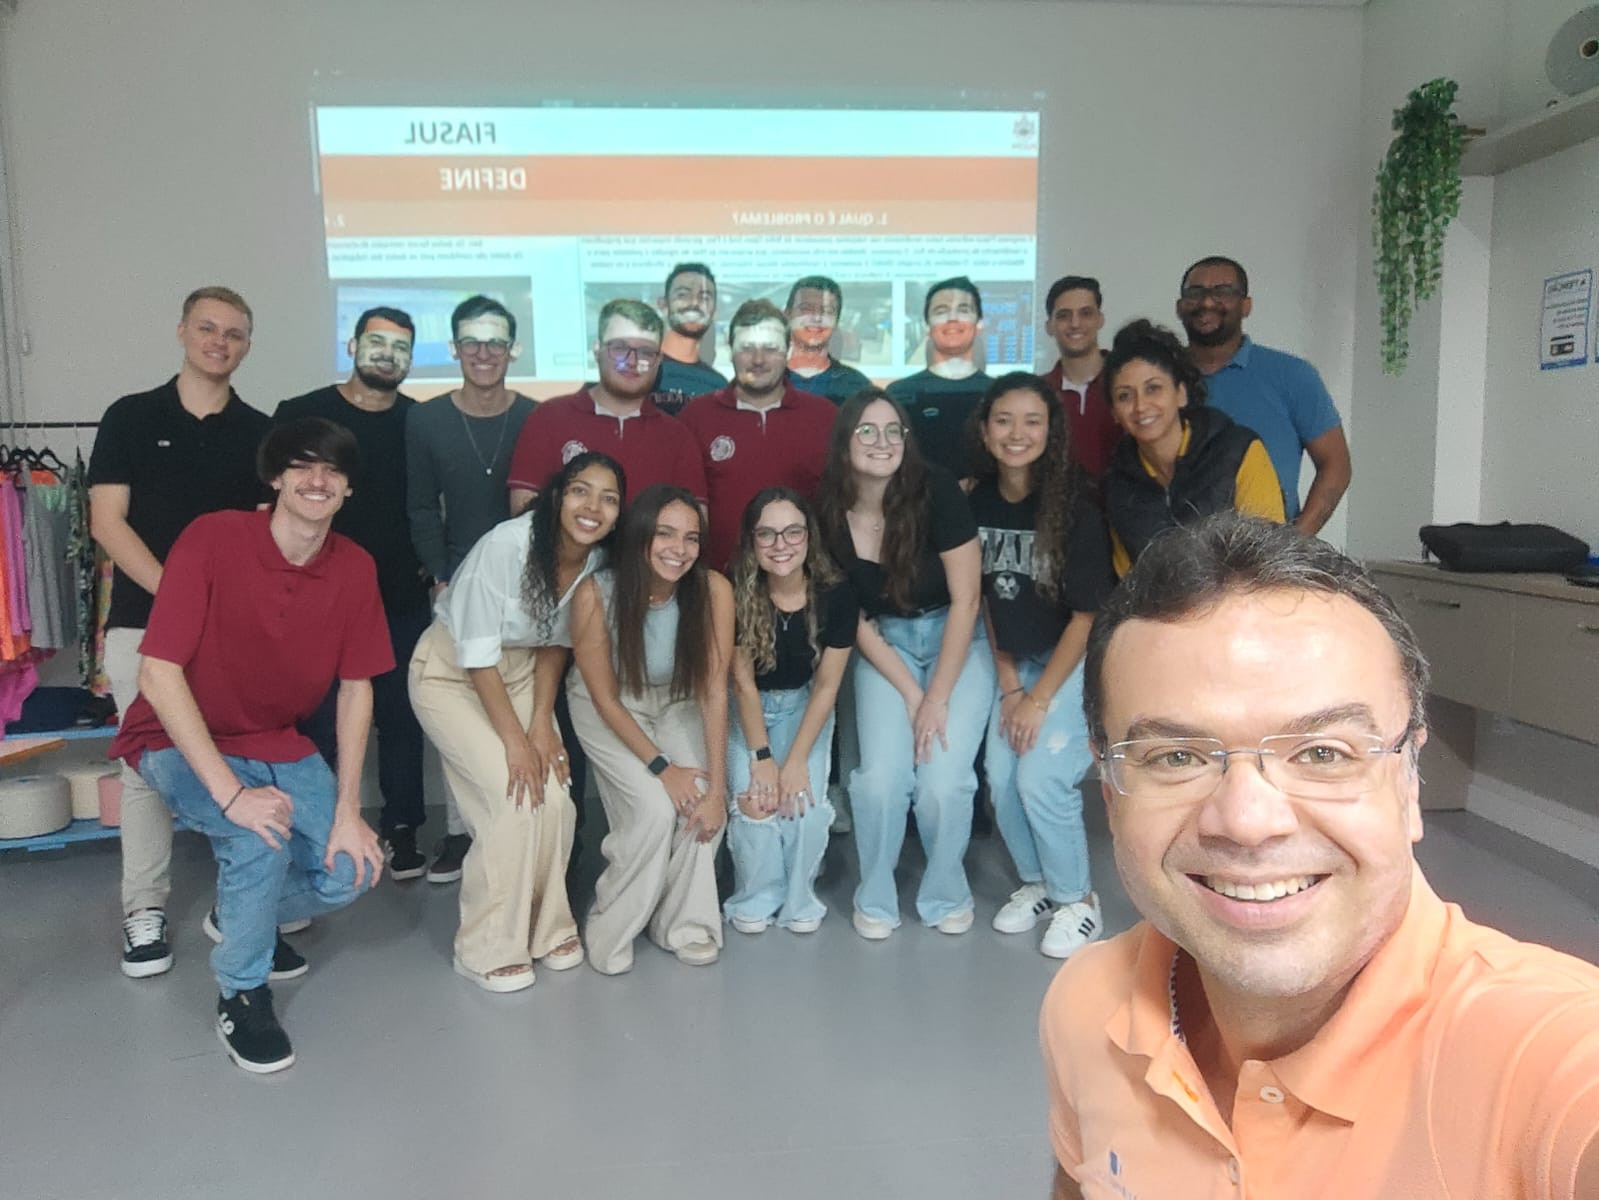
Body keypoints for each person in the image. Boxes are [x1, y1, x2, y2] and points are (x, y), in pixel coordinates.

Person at [1042, 514, 1599, 1199]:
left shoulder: (1541, 1056)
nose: (1247, 822)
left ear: (1409, 783)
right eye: (1176, 757)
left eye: (1323, 753)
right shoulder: (1085, 1002)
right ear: (1109, 791)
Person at [109, 418, 391, 1073]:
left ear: (348, 487)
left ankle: (242, 913)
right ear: (275, 477)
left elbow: (357, 690)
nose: (317, 480)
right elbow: (158, 675)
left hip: (277, 741)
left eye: (332, 470)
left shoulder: (355, 567)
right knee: (257, 837)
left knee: (351, 868)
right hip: (175, 736)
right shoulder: (211, 538)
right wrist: (233, 796)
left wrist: (349, 811)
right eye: (302, 466)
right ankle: (241, 991)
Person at [89, 285, 271, 980]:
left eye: (234, 333)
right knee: (143, 771)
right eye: (207, 328)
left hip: (232, 631)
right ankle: (144, 909)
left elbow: (264, 537)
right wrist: (179, 595)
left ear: (246, 345)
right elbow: (107, 522)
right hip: (143, 625)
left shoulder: (260, 432)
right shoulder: (130, 417)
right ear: (182, 332)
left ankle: (244, 903)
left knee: (242, 762)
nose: (219, 342)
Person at [408, 452, 624, 992]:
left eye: (609, 498)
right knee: (514, 793)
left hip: (525, 674)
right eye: (581, 490)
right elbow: (477, 657)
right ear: (557, 495)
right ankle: (484, 946)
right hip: (453, 675)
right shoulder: (506, 546)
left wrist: (542, 725)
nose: (592, 507)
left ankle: (547, 927)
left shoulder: (596, 561)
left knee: (556, 796)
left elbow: (555, 644)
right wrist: (515, 740)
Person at [816, 389, 995, 939]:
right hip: (883, 643)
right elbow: (851, 616)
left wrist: (936, 697)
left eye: (894, 430)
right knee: (880, 780)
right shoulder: (827, 508)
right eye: (867, 431)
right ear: (845, 442)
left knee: (943, 781)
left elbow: (968, 599)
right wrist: (912, 695)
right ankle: (875, 895)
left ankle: (945, 893)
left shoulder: (936, 489)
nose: (883, 442)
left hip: (956, 638)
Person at [275, 306, 432, 879]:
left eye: (400, 346)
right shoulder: (301, 413)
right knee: (314, 720)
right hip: (313, 600)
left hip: (398, 597)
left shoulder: (420, 421)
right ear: (351, 345)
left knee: (401, 719)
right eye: (376, 342)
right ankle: (316, 828)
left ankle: (402, 829)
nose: (388, 354)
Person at [968, 373, 1115, 958]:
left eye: (1033, 421)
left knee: (1041, 777)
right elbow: (983, 600)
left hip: (1071, 662)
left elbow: (1086, 616)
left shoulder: (1076, 504)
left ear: (1051, 431)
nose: (1017, 433)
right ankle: (1041, 885)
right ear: (985, 431)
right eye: (1004, 420)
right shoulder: (976, 501)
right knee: (1001, 776)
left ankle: (1079, 901)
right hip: (1016, 663)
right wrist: (1009, 687)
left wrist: (1038, 699)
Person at [565, 483, 734, 973]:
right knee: (653, 811)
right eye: (665, 534)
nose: (679, 549)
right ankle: (610, 925)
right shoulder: (596, 594)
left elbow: (714, 690)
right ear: (640, 534)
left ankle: (684, 923)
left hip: (675, 697)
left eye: (691, 538)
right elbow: (604, 698)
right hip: (608, 705)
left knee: (699, 802)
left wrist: (717, 790)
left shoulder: (713, 590)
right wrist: (663, 768)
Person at [405, 294, 537, 883]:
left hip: (524, 592)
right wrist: (440, 576)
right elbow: (420, 506)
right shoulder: (426, 419)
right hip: (454, 587)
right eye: (472, 342)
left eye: (496, 342)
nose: (484, 353)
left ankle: (519, 824)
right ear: (455, 349)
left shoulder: (536, 416)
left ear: (514, 349)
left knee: (519, 712)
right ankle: (461, 833)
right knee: (460, 715)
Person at [724, 488, 855, 934]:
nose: (780, 545)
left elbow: (827, 686)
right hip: (749, 709)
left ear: (808, 537)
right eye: (767, 534)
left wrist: (796, 761)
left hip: (804, 705)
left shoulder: (836, 594)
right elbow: (742, 683)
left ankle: (800, 896)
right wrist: (762, 758)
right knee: (756, 802)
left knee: (803, 805)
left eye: (792, 532)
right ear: (752, 541)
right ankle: (758, 895)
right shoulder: (735, 589)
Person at [1176, 255, 1351, 534]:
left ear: (1246, 306)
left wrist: (1294, 542)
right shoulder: (1158, 380)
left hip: (1265, 549)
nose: (1207, 302)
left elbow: (1336, 465)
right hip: (1177, 549)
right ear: (1179, 306)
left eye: (1223, 291)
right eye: (1195, 292)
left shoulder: (1292, 375)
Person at [1101, 320, 1284, 576]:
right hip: (1159, 603)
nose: (1140, 406)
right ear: (1114, 413)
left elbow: (1269, 558)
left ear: (1181, 394)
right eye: (1124, 396)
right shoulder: (1117, 485)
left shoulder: (1238, 449)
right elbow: (1130, 584)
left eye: (1153, 388)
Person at [506, 299, 707, 517]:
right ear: (597, 350)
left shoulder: (678, 437)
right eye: (619, 348)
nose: (632, 361)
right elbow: (523, 513)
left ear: (659, 359)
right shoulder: (548, 418)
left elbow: (694, 522)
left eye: (645, 352)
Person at [678, 299, 835, 569]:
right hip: (718, 581)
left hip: (804, 582)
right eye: (747, 348)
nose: (758, 360)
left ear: (788, 350)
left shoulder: (826, 417)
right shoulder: (695, 417)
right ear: (730, 350)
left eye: (770, 348)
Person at [887, 275, 992, 476]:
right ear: (926, 326)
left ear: (979, 323)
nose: (952, 318)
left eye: (963, 310)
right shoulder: (899, 394)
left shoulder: (998, 394)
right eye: (941, 311)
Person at [1038, 275, 1121, 481]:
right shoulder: (1038, 393)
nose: (1075, 324)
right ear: (1049, 326)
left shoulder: (1126, 384)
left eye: (1085, 313)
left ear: (1100, 319)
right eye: (1064, 316)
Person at [784, 275, 873, 405]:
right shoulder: (766, 379)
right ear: (788, 314)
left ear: (836, 321)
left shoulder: (858, 386)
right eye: (806, 309)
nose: (816, 318)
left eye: (827, 311)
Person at [653, 262, 727, 414]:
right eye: (683, 295)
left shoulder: (718, 386)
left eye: (705, 297)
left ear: (715, 312)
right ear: (663, 304)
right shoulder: (642, 370)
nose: (694, 302)